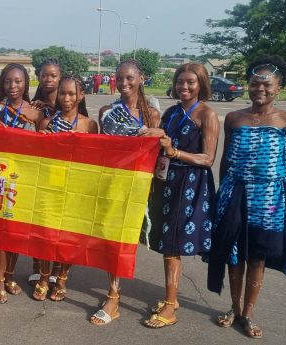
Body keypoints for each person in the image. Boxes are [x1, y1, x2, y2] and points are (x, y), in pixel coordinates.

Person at [206, 55, 286, 339]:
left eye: (267, 85)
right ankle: (233, 309)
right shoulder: (234, 118)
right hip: (235, 193)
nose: (260, 89)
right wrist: (222, 193)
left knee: (257, 257)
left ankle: (248, 314)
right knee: (234, 255)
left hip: (269, 198)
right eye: (254, 83)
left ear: (279, 87)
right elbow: (224, 160)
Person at [140, 63, 219, 328]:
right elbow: (163, 141)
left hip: (191, 183)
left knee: (173, 243)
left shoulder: (207, 115)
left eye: (191, 82)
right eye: (180, 82)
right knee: (166, 240)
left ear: (201, 85)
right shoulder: (172, 112)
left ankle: (171, 306)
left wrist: (174, 153)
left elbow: (208, 159)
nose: (184, 87)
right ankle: (170, 297)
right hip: (167, 180)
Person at [91, 60, 161, 325]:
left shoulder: (152, 115)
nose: (124, 83)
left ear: (141, 78)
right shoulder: (108, 111)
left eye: (130, 78)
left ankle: (117, 292)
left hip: (139, 186)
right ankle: (113, 294)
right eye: (119, 78)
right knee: (112, 238)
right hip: (112, 182)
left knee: (128, 241)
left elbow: (158, 152)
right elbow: (101, 149)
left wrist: (160, 133)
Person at [33, 76, 98, 302]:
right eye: (63, 93)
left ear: (81, 96)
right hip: (50, 185)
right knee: (46, 234)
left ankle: (61, 278)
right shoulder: (47, 122)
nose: (67, 98)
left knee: (68, 236)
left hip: (75, 188)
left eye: (72, 94)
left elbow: (94, 162)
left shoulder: (89, 125)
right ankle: (43, 277)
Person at [0, 63, 42, 303]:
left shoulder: (36, 113)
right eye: (8, 81)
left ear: (26, 83)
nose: (13, 86)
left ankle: (9, 276)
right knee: (0, 230)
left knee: (16, 231)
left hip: (24, 179)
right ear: (2, 84)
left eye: (18, 81)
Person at [28, 59, 64, 287]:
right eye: (44, 75)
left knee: (58, 221)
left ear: (60, 78)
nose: (48, 79)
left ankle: (58, 269)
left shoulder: (69, 102)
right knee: (38, 219)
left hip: (62, 172)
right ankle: (38, 267)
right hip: (39, 169)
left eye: (53, 76)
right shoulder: (35, 106)